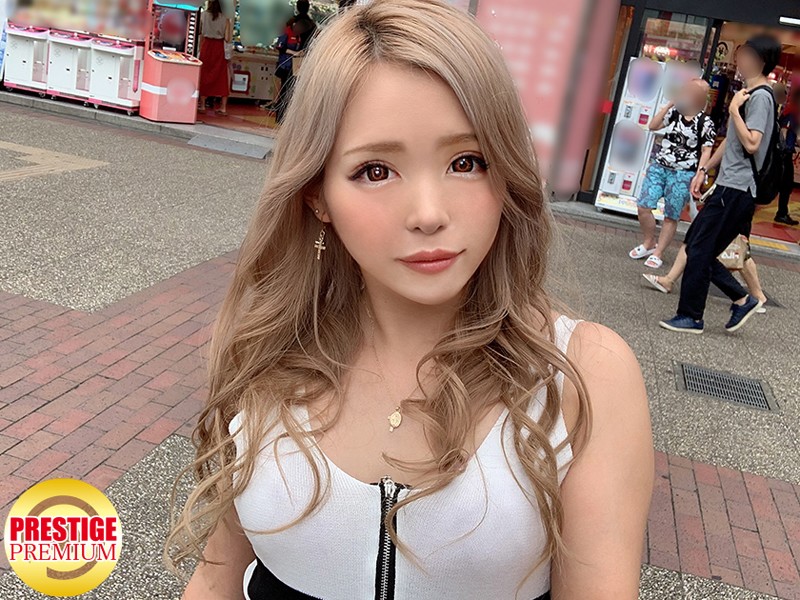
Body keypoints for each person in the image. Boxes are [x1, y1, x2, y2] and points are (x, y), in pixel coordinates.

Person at [166, 1, 653, 599]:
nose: (428, 213)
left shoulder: (583, 375)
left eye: (466, 162)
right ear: (317, 194)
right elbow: (215, 579)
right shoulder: (267, 347)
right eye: (375, 171)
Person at [660, 34, 781, 334]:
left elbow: (752, 143)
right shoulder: (747, 93)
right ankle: (741, 299)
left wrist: (734, 110)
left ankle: (692, 316)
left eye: (746, 55)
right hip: (730, 186)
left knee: (699, 248)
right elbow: (731, 142)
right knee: (697, 246)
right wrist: (704, 169)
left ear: (761, 60)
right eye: (741, 54)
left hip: (738, 189)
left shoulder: (760, 97)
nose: (740, 60)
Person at [629, 79, 715, 269]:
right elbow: (653, 125)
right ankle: (649, 242)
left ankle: (658, 253)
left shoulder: (705, 122)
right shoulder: (675, 113)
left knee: (671, 214)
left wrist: (700, 174)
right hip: (660, 166)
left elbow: (707, 150)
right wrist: (670, 104)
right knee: (644, 206)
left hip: (683, 173)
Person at [643, 243, 767, 313]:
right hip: (725, 209)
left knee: (738, 250)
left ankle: (751, 297)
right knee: (695, 242)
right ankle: (669, 280)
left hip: (729, 210)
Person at [197, 0, 232, 116]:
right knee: (222, 76)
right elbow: (227, 38)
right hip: (219, 47)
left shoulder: (203, 15)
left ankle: (202, 105)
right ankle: (223, 107)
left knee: (204, 74)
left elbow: (200, 32)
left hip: (206, 46)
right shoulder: (225, 18)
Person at [775, 85, 799, 225]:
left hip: (784, 153)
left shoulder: (789, 110)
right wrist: (782, 149)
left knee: (784, 184)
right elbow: (784, 132)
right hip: (785, 153)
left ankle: (782, 212)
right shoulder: (792, 112)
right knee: (785, 184)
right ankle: (782, 213)